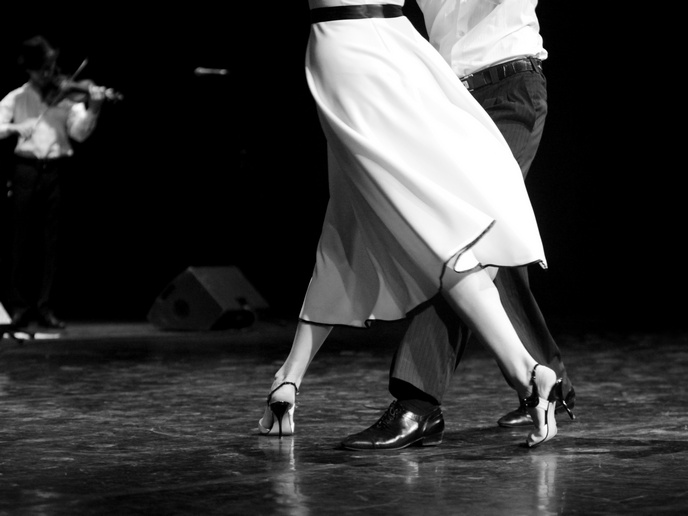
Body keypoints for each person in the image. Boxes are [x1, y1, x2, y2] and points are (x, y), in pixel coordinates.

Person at [259, 0, 566, 449]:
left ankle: (424, 400)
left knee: (457, 232)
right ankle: (543, 378)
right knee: (374, 223)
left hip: (501, 82)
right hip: (429, 77)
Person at [0, 35, 105, 329]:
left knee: (52, 242)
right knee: (20, 240)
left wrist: (94, 108)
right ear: (29, 70)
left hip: (55, 171)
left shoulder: (66, 95)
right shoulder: (17, 97)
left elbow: (79, 134)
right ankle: (19, 307)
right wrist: (15, 127)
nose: (49, 73)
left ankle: (46, 307)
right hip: (25, 169)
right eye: (42, 69)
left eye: (50, 66)